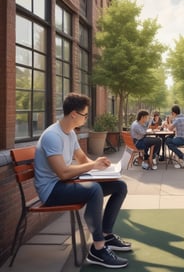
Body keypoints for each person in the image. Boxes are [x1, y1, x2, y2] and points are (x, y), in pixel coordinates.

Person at [34, 93, 131, 269]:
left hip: (64, 184)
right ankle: (98, 249)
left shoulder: (70, 134)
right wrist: (92, 166)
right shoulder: (52, 136)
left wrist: (104, 167)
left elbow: (83, 160)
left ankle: (107, 234)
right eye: (85, 115)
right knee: (93, 190)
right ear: (73, 114)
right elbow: (63, 173)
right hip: (51, 191)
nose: (86, 118)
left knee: (119, 186)